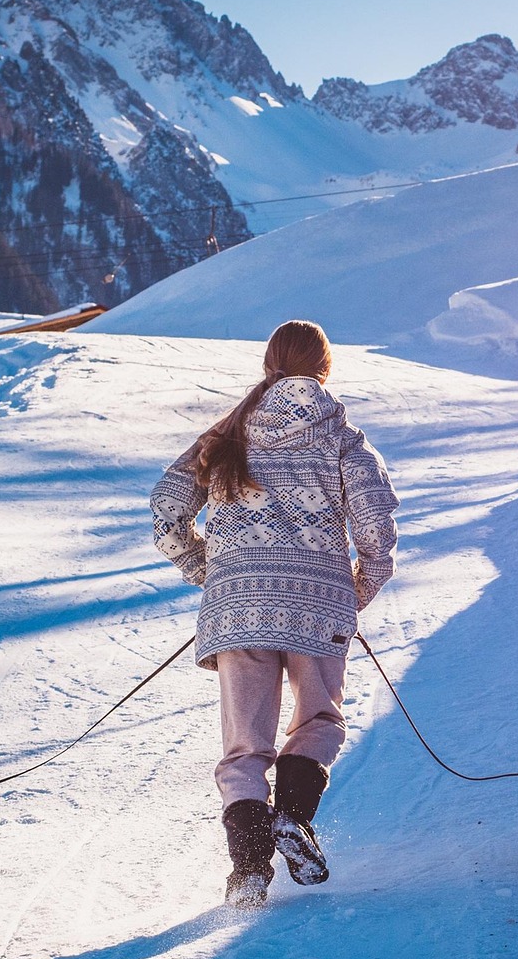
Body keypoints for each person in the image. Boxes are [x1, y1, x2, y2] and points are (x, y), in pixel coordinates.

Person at [151, 321, 399, 907]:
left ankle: (249, 872)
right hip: (320, 607)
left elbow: (166, 510)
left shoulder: (226, 434)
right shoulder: (344, 437)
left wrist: (208, 571)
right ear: (324, 368)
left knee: (244, 745)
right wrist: (353, 592)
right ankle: (292, 816)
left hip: (237, 610)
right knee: (319, 721)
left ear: (269, 364)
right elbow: (375, 533)